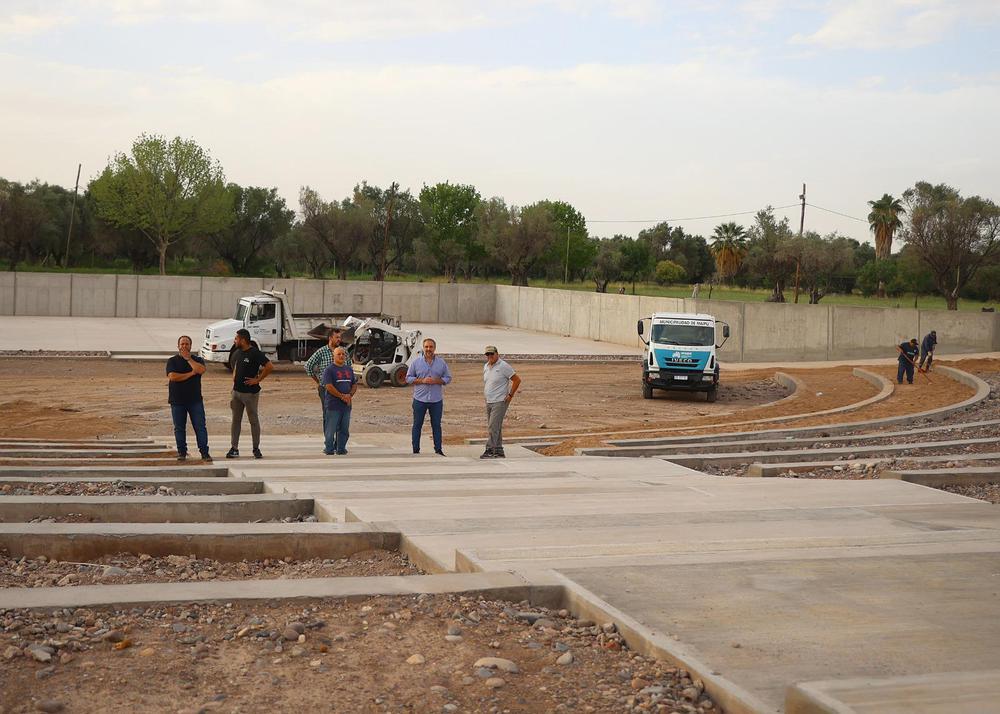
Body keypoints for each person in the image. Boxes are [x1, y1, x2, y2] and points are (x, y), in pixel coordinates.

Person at [227, 328, 273, 459]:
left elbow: (269, 366)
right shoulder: (237, 352)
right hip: (236, 393)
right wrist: (234, 380)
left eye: (236, 338)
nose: (234, 341)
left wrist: (257, 379)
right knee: (236, 420)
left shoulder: (255, 353)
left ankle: (256, 448)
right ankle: (234, 448)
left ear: (242, 340)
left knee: (253, 420)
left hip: (250, 394)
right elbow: (235, 367)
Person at [166, 335, 211, 462]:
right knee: (179, 428)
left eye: (187, 344)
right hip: (177, 401)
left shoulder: (197, 360)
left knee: (200, 427)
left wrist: (188, 359)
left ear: (191, 346)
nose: (184, 346)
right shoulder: (172, 361)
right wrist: (191, 373)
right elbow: (173, 377)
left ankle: (204, 452)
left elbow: (201, 370)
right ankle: (182, 452)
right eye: (182, 344)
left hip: (195, 401)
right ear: (178, 346)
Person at [406, 337, 452, 455]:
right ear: (423, 348)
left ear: (434, 348)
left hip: (436, 400)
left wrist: (437, 381)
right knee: (417, 424)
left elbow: (448, 378)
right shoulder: (416, 362)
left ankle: (438, 450)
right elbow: (408, 378)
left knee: (436, 425)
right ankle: (415, 450)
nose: (428, 349)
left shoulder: (441, 363)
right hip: (419, 400)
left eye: (431, 347)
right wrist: (422, 380)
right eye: (426, 347)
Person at [305, 328, 351, 438]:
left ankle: (339, 442)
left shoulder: (343, 352)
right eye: (337, 337)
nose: (339, 339)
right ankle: (329, 441)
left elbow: (349, 369)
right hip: (326, 389)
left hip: (341, 388)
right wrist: (319, 381)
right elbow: (308, 366)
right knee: (328, 414)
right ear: (330, 338)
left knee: (342, 414)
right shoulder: (321, 352)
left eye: (340, 337)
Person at [480, 345, 521, 459]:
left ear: (497, 354)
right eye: (487, 354)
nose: (490, 356)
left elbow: (517, 380)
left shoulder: (503, 366)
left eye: (492, 354)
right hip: (489, 401)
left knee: (493, 426)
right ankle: (498, 450)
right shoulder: (486, 366)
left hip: (500, 401)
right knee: (495, 426)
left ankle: (489, 449)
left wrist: (510, 395)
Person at [321, 347, 357, 455]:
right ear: (334, 356)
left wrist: (349, 395)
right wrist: (341, 396)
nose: (341, 356)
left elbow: (354, 384)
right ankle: (329, 448)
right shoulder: (329, 370)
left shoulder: (349, 369)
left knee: (344, 429)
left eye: (343, 354)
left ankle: (341, 448)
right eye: (338, 354)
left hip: (346, 405)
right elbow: (328, 386)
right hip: (333, 404)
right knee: (331, 429)